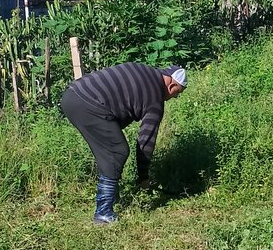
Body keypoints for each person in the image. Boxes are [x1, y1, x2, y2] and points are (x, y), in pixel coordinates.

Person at [60, 62, 187, 224]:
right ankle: (103, 213)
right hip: (88, 103)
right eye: (178, 92)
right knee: (117, 151)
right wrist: (143, 177)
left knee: (108, 148)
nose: (175, 97)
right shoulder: (155, 97)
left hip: (72, 96)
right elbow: (146, 141)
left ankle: (113, 197)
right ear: (172, 85)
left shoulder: (145, 70)